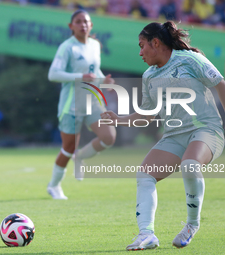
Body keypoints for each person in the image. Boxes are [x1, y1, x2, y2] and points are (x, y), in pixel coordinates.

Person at [101, 20, 225, 250]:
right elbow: (147, 114)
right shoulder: (149, 75)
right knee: (144, 175)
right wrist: (118, 120)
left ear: (155, 42)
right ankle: (146, 234)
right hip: (175, 136)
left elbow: (220, 83)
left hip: (206, 130)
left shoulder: (190, 59)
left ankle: (191, 225)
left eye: (141, 46)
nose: (139, 53)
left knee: (190, 165)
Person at [47, 10, 116, 200]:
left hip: (92, 102)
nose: (83, 25)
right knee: (68, 148)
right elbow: (53, 74)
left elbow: (94, 71)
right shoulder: (67, 47)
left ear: (91, 25)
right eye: (78, 22)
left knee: (109, 136)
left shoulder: (94, 45)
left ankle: (82, 157)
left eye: (86, 22)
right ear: (71, 26)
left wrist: (104, 81)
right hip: (72, 106)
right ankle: (54, 186)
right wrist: (80, 77)